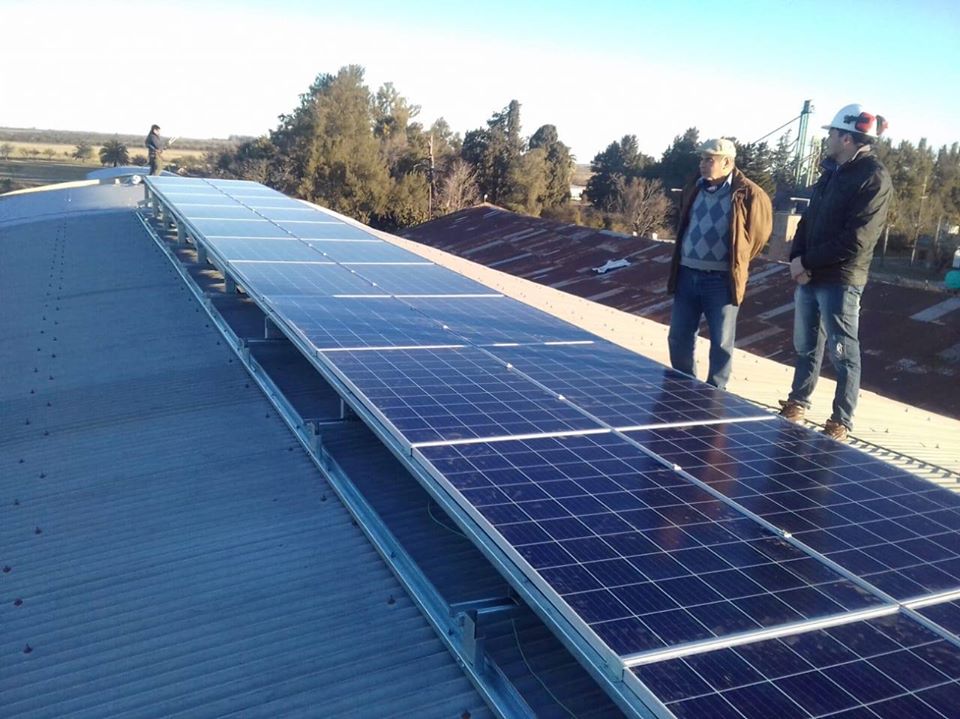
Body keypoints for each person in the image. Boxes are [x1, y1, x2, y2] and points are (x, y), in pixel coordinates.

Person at [778, 104, 892, 441]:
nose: (827, 137)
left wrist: (808, 262)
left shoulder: (874, 178)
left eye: (831, 133)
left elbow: (856, 240)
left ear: (846, 137)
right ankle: (798, 401)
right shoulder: (831, 172)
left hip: (841, 280)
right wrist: (796, 259)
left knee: (843, 351)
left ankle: (841, 420)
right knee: (806, 345)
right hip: (810, 274)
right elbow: (809, 221)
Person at [666, 138, 773, 390]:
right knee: (678, 337)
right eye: (702, 159)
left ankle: (714, 395)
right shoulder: (694, 186)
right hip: (686, 275)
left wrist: (734, 263)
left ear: (727, 162)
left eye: (709, 159)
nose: (702, 164)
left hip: (721, 281)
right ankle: (683, 386)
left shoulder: (749, 194)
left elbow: (757, 237)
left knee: (721, 343)